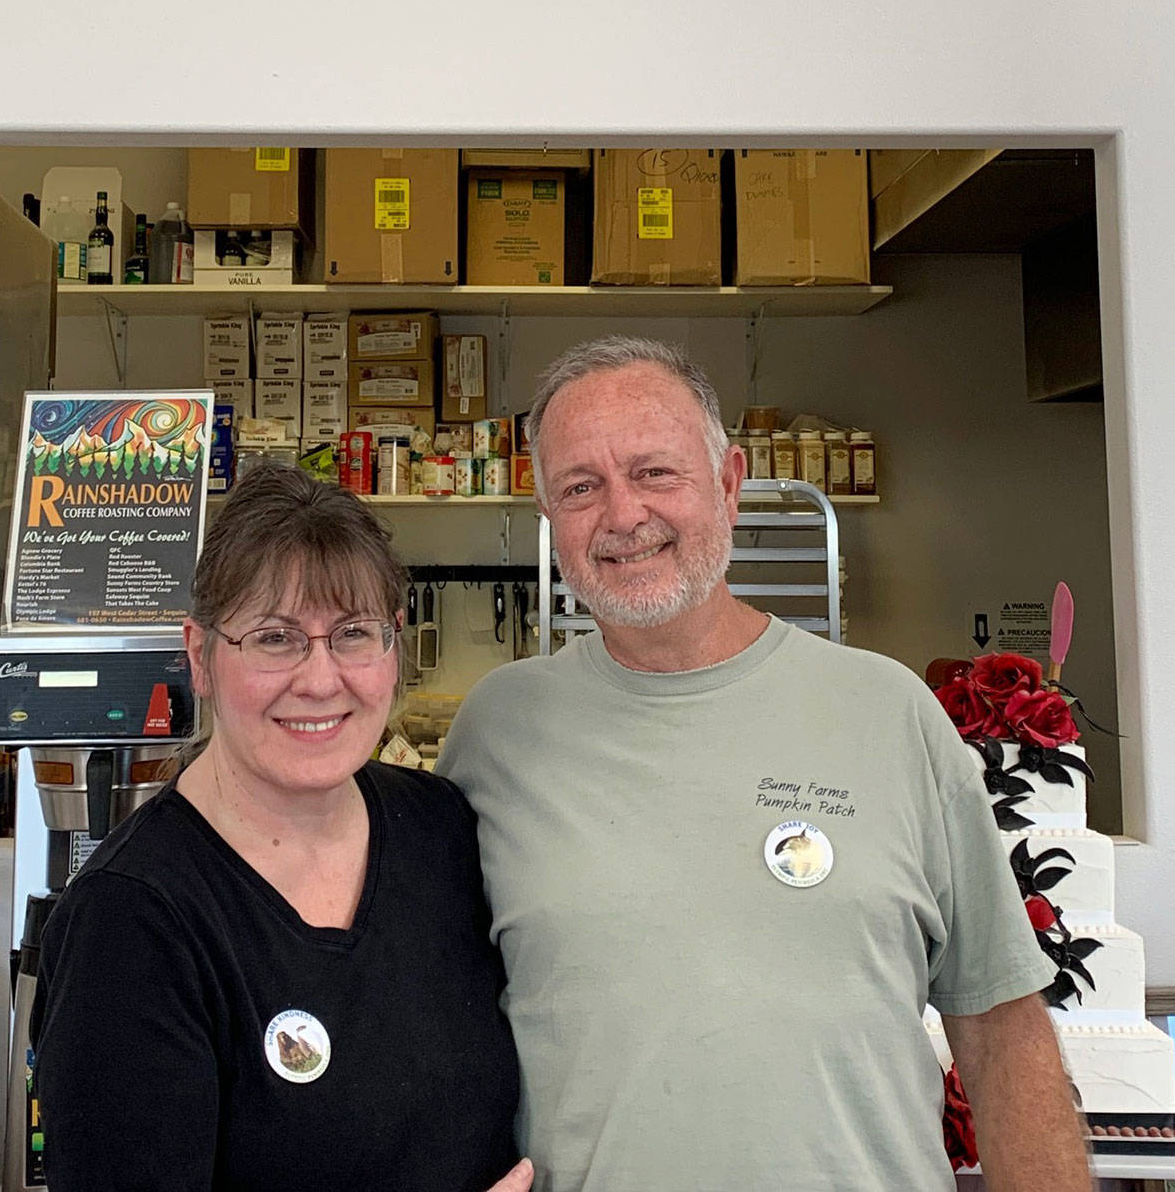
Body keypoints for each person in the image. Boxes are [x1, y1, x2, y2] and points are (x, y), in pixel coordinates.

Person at [437, 336, 1092, 1191]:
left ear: (730, 482)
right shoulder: (497, 730)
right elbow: (429, 1021)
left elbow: (1002, 1027)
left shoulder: (889, 715)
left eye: (655, 472)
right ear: (550, 515)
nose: (623, 513)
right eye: (580, 486)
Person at [32, 465, 532, 1192]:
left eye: (355, 634)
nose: (322, 680)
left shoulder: (440, 828)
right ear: (199, 655)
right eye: (275, 638)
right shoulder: (131, 920)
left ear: (395, 643)